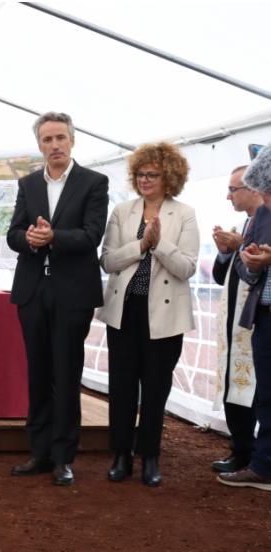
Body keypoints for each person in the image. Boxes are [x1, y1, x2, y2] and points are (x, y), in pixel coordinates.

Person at [6, 111, 109, 486]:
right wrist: (29, 239)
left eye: (60, 138)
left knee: (66, 375)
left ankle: (64, 457)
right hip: (33, 290)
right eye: (47, 139)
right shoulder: (28, 183)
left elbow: (92, 234)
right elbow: (13, 233)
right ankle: (39, 452)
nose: (54, 145)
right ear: (39, 145)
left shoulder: (93, 182)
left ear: (72, 140)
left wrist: (54, 237)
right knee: (37, 373)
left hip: (72, 292)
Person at [97, 143, 198, 486]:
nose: (145, 180)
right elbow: (108, 260)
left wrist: (159, 244)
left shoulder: (184, 214)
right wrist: (140, 245)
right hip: (124, 311)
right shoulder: (122, 211)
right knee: (122, 385)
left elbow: (186, 268)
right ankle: (121, 455)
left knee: (155, 388)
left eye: (152, 174)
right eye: (140, 174)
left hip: (165, 317)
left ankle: (150, 456)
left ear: (169, 177)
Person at [223, 144, 271, 492]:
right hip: (265, 316)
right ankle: (263, 465)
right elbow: (246, 270)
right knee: (266, 395)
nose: (265, 198)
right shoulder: (263, 216)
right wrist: (252, 260)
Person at [209, 165, 261, 472]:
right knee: (234, 384)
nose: (228, 196)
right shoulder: (242, 226)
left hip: (256, 322)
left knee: (254, 389)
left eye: (233, 189)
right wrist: (225, 252)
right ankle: (240, 448)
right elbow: (221, 277)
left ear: (253, 189)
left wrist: (240, 245)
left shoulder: (262, 228)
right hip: (234, 323)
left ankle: (253, 453)